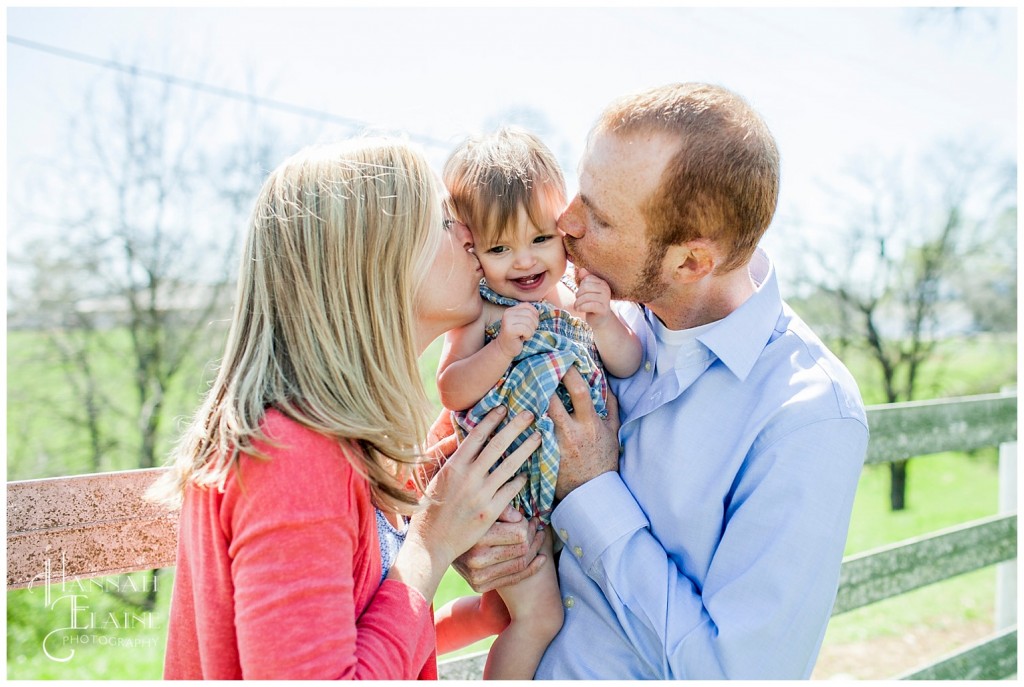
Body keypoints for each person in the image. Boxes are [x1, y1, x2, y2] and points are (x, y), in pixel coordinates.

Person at [453, 83, 870, 679]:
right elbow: (468, 431)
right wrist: (488, 541)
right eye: (578, 193)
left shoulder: (806, 416)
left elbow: (739, 674)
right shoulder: (590, 313)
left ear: (691, 262)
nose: (563, 222)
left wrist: (591, 493)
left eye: (596, 217)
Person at [151, 138, 549, 680]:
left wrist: (490, 601)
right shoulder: (291, 455)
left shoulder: (345, 443)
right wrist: (431, 545)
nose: (469, 234)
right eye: (441, 220)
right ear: (375, 263)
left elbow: (352, 637)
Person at [435, 127, 642, 679]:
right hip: (507, 495)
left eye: (540, 239)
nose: (523, 261)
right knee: (540, 617)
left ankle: (416, 639)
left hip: (554, 492)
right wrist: (502, 347)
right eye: (500, 248)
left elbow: (628, 364)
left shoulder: (575, 298)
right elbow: (452, 389)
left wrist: (604, 321)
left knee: (497, 611)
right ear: (473, 250)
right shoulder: (483, 313)